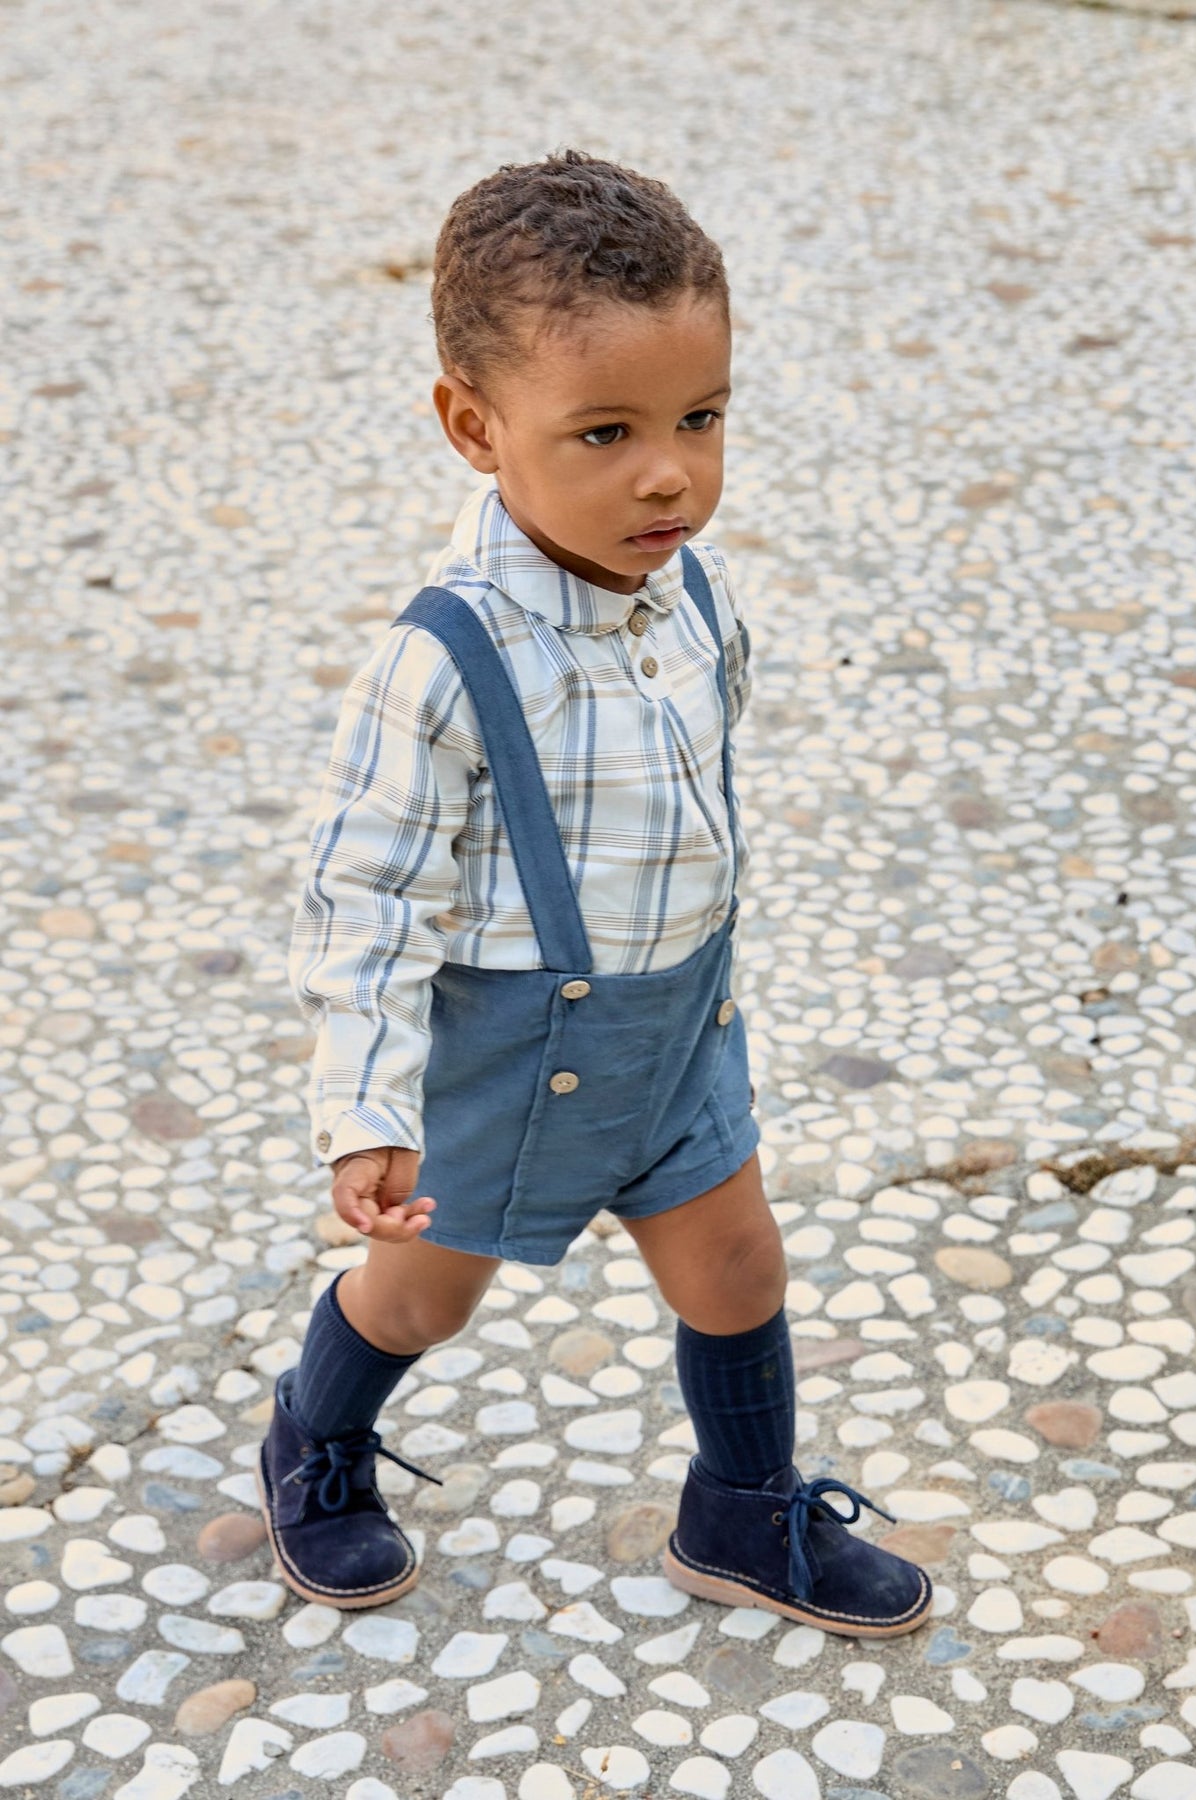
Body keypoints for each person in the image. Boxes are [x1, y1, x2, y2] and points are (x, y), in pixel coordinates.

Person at [259, 150, 931, 1639]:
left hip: (674, 1034)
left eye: (702, 418)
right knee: (420, 1298)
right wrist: (365, 1109)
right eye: (607, 432)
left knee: (736, 1263)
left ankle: (741, 1510)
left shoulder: (696, 593)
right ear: (473, 426)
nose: (669, 472)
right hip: (509, 1055)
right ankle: (315, 1436)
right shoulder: (441, 662)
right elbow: (364, 898)